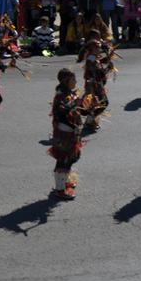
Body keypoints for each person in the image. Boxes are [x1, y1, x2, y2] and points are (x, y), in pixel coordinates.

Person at [49, 68, 85, 200]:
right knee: (63, 159)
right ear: (66, 81)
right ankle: (60, 189)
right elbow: (61, 113)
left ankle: (64, 181)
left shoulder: (68, 93)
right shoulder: (60, 96)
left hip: (69, 130)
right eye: (73, 79)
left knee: (73, 156)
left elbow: (73, 107)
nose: (76, 81)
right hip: (64, 131)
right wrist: (74, 104)